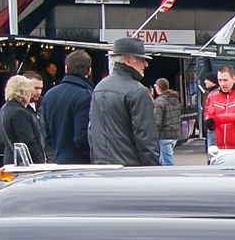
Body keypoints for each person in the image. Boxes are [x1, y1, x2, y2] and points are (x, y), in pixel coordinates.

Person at [89, 37, 157, 166]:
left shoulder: (99, 88)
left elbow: (91, 132)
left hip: (102, 169)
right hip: (130, 172)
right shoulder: (138, 91)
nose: (145, 65)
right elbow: (146, 140)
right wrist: (153, 171)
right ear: (127, 60)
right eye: (142, 60)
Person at [40, 49, 93, 164]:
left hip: (58, 160)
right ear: (89, 71)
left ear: (65, 68)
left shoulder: (49, 95)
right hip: (81, 164)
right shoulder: (86, 96)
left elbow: (48, 135)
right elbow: (82, 137)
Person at [0, 74, 48, 165]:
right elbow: (28, 142)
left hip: (11, 160)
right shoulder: (19, 113)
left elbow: (1, 138)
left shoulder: (6, 109)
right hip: (24, 164)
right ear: (25, 91)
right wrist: (40, 162)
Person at [203, 64, 235, 150]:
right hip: (219, 145)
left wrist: (219, 119)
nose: (223, 84)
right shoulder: (213, 96)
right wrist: (209, 123)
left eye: (226, 80)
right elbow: (208, 115)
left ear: (233, 79)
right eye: (220, 80)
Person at [152, 78, 181, 166]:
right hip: (175, 134)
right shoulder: (175, 99)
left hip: (164, 135)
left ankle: (171, 178)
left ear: (159, 88)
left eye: (156, 86)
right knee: (162, 160)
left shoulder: (159, 101)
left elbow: (157, 121)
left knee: (167, 163)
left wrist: (153, 135)